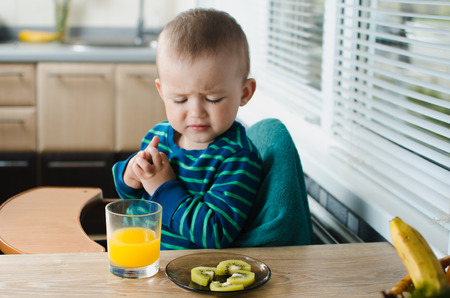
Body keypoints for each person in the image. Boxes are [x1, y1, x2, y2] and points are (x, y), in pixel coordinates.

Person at [112, 8, 262, 250]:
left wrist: (163, 187)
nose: (196, 112)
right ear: (162, 92)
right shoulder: (158, 136)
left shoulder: (237, 158)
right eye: (180, 100)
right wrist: (130, 174)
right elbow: (132, 198)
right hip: (140, 257)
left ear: (244, 93)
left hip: (188, 273)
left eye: (213, 99)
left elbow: (216, 233)